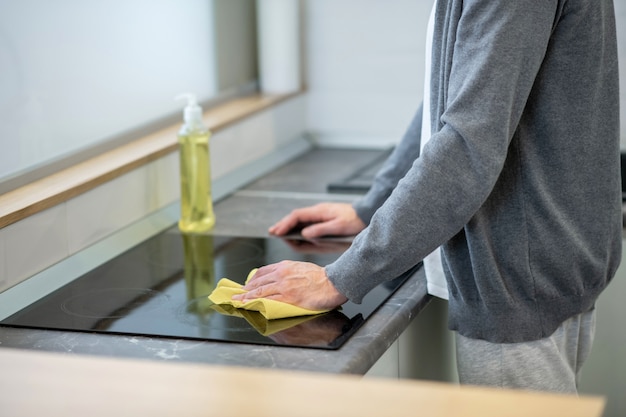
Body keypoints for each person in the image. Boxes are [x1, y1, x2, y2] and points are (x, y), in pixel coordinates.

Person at [233, 0, 622, 393]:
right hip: (543, 256)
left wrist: (343, 276)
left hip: (519, 274)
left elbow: (467, 148)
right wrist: (375, 204)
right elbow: (459, 94)